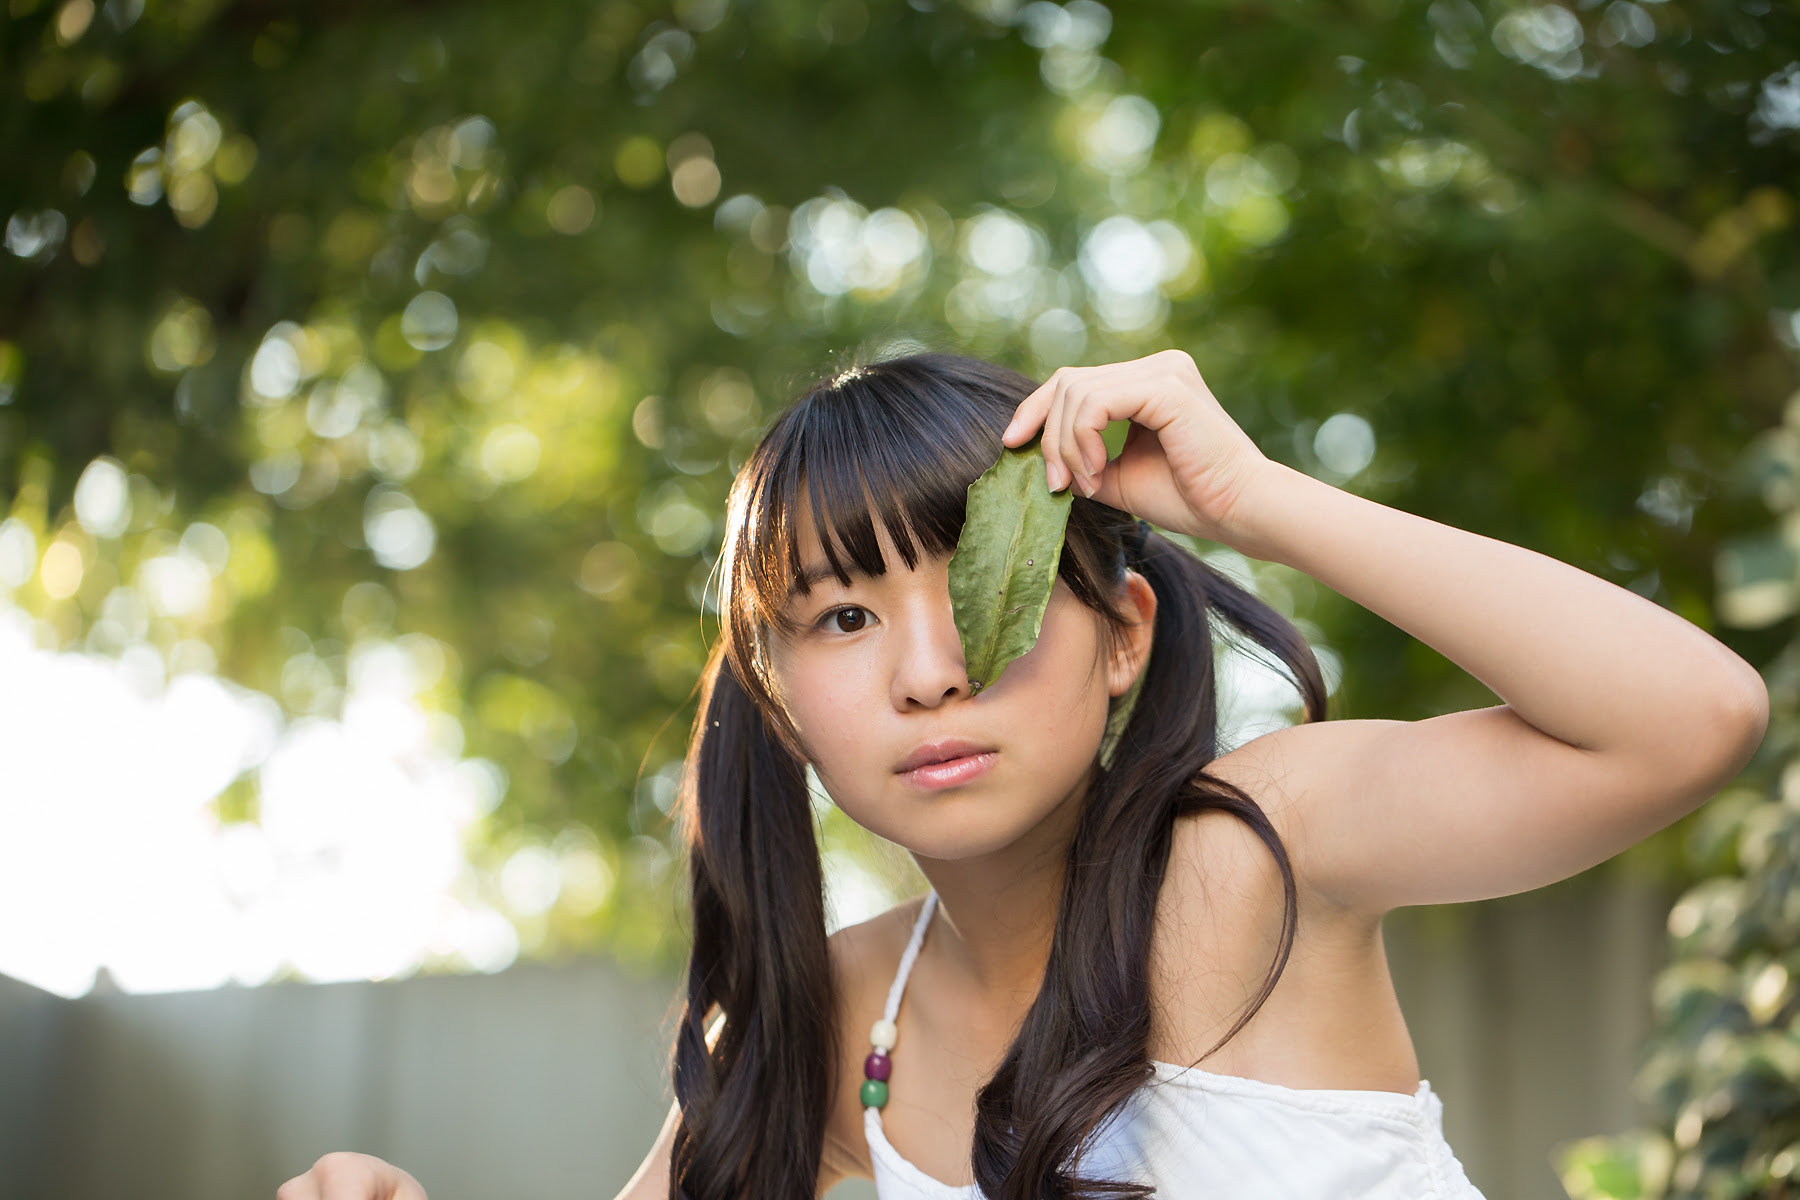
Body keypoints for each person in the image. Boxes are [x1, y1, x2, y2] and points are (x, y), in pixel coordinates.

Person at [278, 349, 1768, 1200]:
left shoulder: (1256, 853)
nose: (930, 671)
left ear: (1125, 636)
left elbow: (1688, 719)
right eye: (843, 618)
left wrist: (1254, 501)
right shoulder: (826, 1021)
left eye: (978, 586)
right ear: (782, 702)